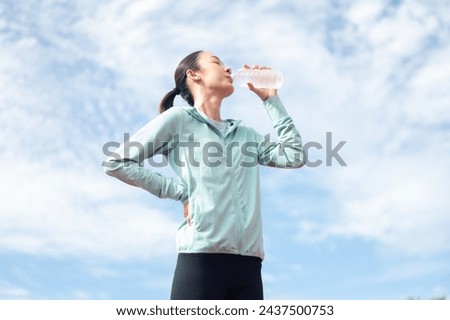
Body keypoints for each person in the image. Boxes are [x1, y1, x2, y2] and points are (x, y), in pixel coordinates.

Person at [103, 50, 304, 300]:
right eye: (217, 63)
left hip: (250, 266)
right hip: (201, 262)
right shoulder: (178, 120)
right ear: (193, 74)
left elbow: (294, 156)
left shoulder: (245, 135)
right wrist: (182, 193)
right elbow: (117, 162)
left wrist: (271, 101)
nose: (228, 69)